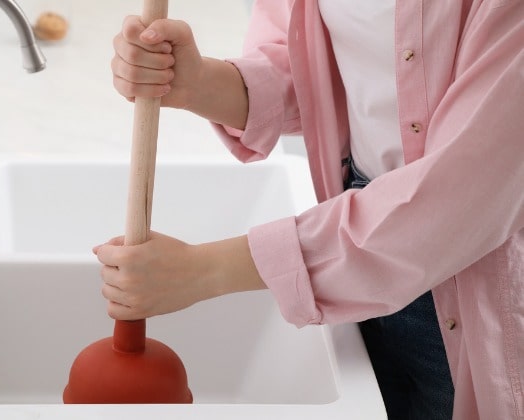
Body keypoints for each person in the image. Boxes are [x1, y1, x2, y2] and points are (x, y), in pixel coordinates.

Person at [97, 1, 523, 419]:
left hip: (473, 274)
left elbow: (456, 198)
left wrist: (201, 270)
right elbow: (310, 65)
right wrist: (198, 83)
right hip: (348, 249)